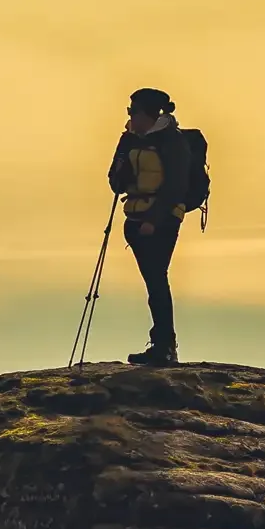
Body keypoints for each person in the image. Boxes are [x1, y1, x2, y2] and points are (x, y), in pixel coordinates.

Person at [107, 87, 192, 365]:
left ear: (150, 114)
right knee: (154, 280)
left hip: (163, 220)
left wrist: (154, 220)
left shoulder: (172, 141)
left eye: (134, 111)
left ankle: (164, 345)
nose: (131, 116)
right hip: (134, 217)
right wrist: (122, 160)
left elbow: (176, 185)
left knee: (156, 279)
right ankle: (163, 344)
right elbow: (114, 182)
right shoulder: (130, 140)